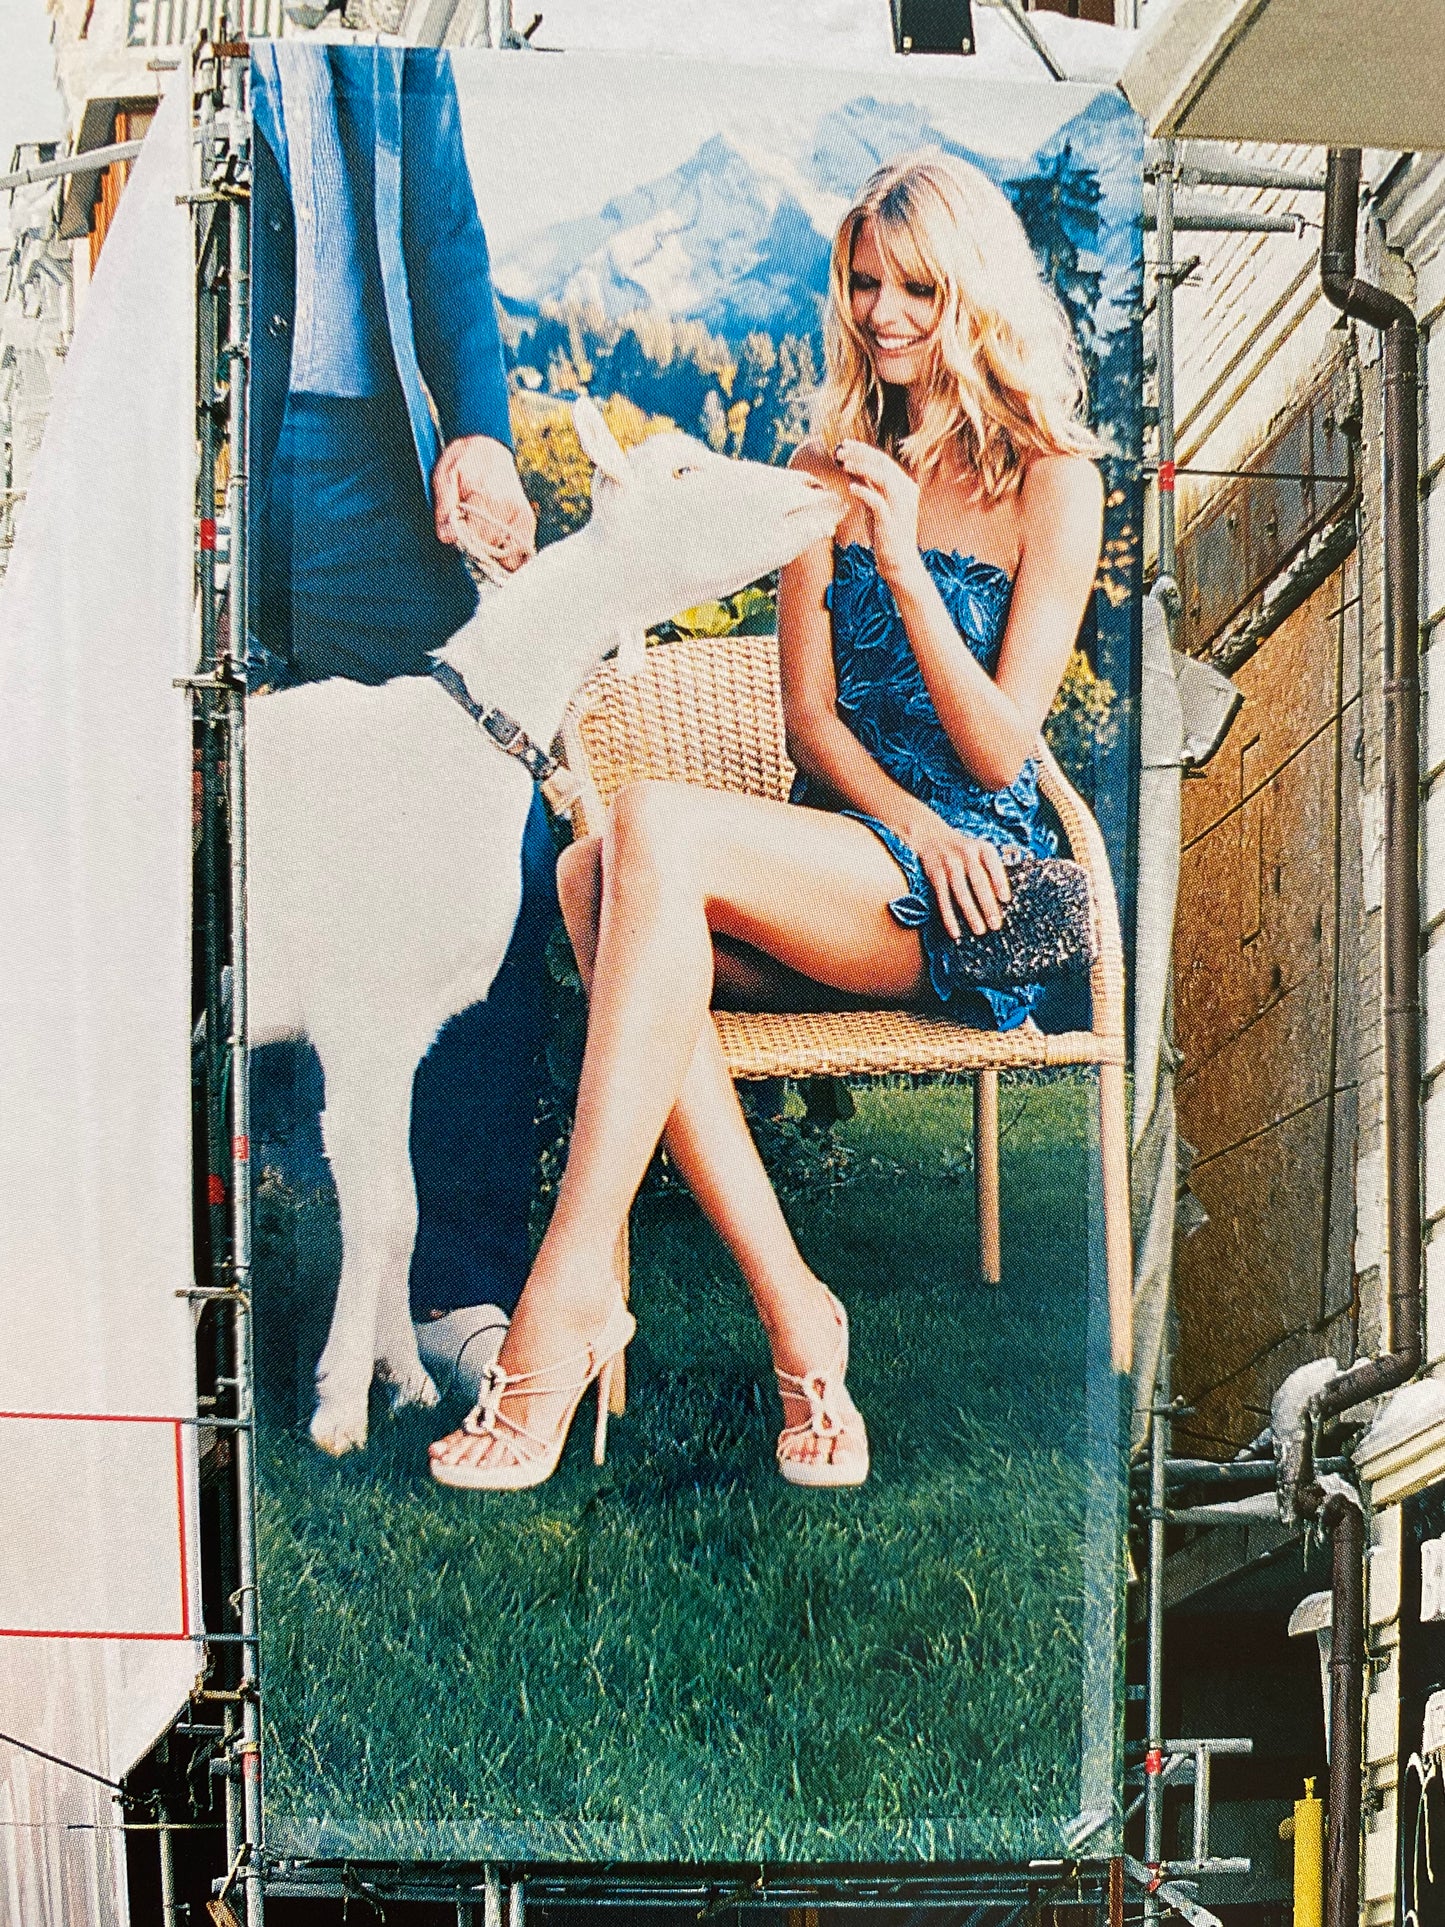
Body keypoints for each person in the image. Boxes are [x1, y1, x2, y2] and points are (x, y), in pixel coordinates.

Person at [427, 149, 1104, 1493]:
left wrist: (903, 563)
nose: (884, 314)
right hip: (856, 855)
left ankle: (562, 1301)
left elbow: (1001, 745)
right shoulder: (817, 473)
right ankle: (799, 1318)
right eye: (864, 284)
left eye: (916, 288)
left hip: (987, 891)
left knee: (644, 839)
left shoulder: (1052, 481)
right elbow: (810, 725)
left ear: (972, 294)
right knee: (594, 876)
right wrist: (905, 824)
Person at [247, 43, 554, 1397]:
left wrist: (477, 432)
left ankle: (457, 1288)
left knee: (500, 847)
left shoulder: (397, 37)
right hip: (209, 469)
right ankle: (164, 1269)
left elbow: (445, 235)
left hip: (376, 469)